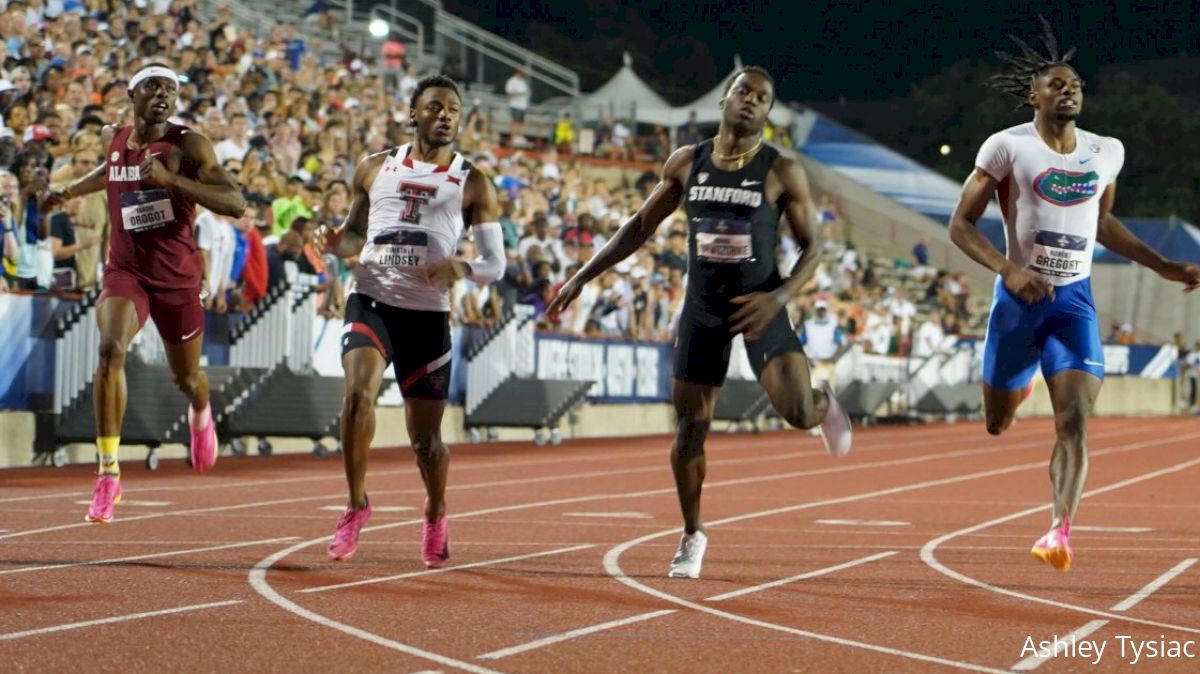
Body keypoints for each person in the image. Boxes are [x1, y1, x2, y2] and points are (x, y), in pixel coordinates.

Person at [547, 66, 852, 580]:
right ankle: (692, 534)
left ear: (768, 112)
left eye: (761, 97)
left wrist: (778, 298)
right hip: (704, 310)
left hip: (758, 304)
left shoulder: (782, 170)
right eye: (742, 92)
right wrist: (582, 275)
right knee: (690, 430)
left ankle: (823, 402)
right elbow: (639, 227)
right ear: (724, 100)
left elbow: (815, 249)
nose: (750, 102)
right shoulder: (687, 162)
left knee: (798, 413)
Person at [948, 21, 1200, 571]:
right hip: (1017, 305)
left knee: (1075, 421)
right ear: (1033, 96)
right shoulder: (1006, 146)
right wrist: (1008, 270)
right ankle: (1015, 386)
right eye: (1057, 85)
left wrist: (1161, 265)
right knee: (997, 423)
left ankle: (1059, 530)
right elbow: (960, 226)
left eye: (1076, 85)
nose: (1069, 91)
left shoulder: (1106, 151)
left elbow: (1102, 221)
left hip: (1073, 304)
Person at [314, 75, 505, 566]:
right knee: (357, 397)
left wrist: (459, 267)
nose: (446, 115)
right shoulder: (376, 168)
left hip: (426, 316)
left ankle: (436, 510)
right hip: (372, 299)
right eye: (436, 107)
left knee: (426, 443)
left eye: (454, 109)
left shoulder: (473, 181)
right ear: (413, 114)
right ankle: (356, 504)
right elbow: (355, 235)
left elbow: (494, 264)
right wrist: (338, 245)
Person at [48, 64, 246, 523]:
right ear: (132, 93)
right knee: (109, 349)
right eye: (153, 87)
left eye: (171, 89)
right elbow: (110, 170)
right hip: (126, 273)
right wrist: (68, 191)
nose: (163, 95)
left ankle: (200, 407)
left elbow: (236, 203)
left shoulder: (188, 144)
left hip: (177, 279)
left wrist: (174, 181)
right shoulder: (116, 138)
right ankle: (108, 474)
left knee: (188, 378)